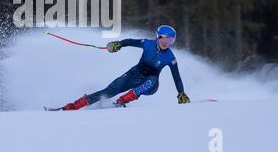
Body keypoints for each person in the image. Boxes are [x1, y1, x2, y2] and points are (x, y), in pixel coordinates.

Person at [61, 25, 190, 110]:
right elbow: (129, 41)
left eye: (170, 42)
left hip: (150, 85)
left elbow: (176, 77)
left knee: (151, 80)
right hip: (135, 75)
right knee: (109, 91)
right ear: (157, 37)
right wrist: (118, 44)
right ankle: (74, 106)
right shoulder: (147, 44)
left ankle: (122, 101)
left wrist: (181, 93)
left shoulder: (170, 58)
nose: (166, 44)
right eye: (164, 41)